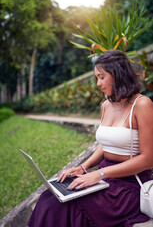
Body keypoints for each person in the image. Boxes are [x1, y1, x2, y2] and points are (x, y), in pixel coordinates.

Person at [28, 49, 153, 227]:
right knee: (49, 197)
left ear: (117, 73)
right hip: (104, 179)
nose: (97, 83)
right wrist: (83, 167)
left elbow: (148, 160)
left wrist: (100, 173)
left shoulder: (142, 105)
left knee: (64, 205)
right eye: (96, 78)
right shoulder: (105, 106)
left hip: (128, 186)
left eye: (101, 77)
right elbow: (106, 145)